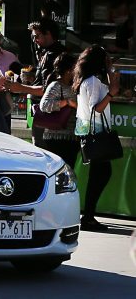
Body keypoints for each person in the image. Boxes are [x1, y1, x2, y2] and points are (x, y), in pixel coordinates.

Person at [72, 45, 120, 231]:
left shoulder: (89, 79)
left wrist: (109, 74)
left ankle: (89, 215)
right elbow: (96, 109)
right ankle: (89, 216)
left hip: (91, 130)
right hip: (95, 131)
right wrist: (111, 93)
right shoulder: (91, 81)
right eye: (106, 60)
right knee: (100, 174)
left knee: (98, 174)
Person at [6, 18, 66, 147]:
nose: (34, 40)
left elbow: (48, 90)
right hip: (47, 113)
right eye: (33, 37)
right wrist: (32, 79)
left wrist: (21, 87)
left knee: (45, 153)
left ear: (48, 33)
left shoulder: (54, 55)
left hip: (51, 115)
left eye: (37, 36)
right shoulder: (48, 53)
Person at [38, 53, 79, 167]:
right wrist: (66, 102)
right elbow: (44, 105)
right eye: (75, 68)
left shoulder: (74, 86)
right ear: (68, 70)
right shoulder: (56, 85)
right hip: (57, 138)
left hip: (71, 137)